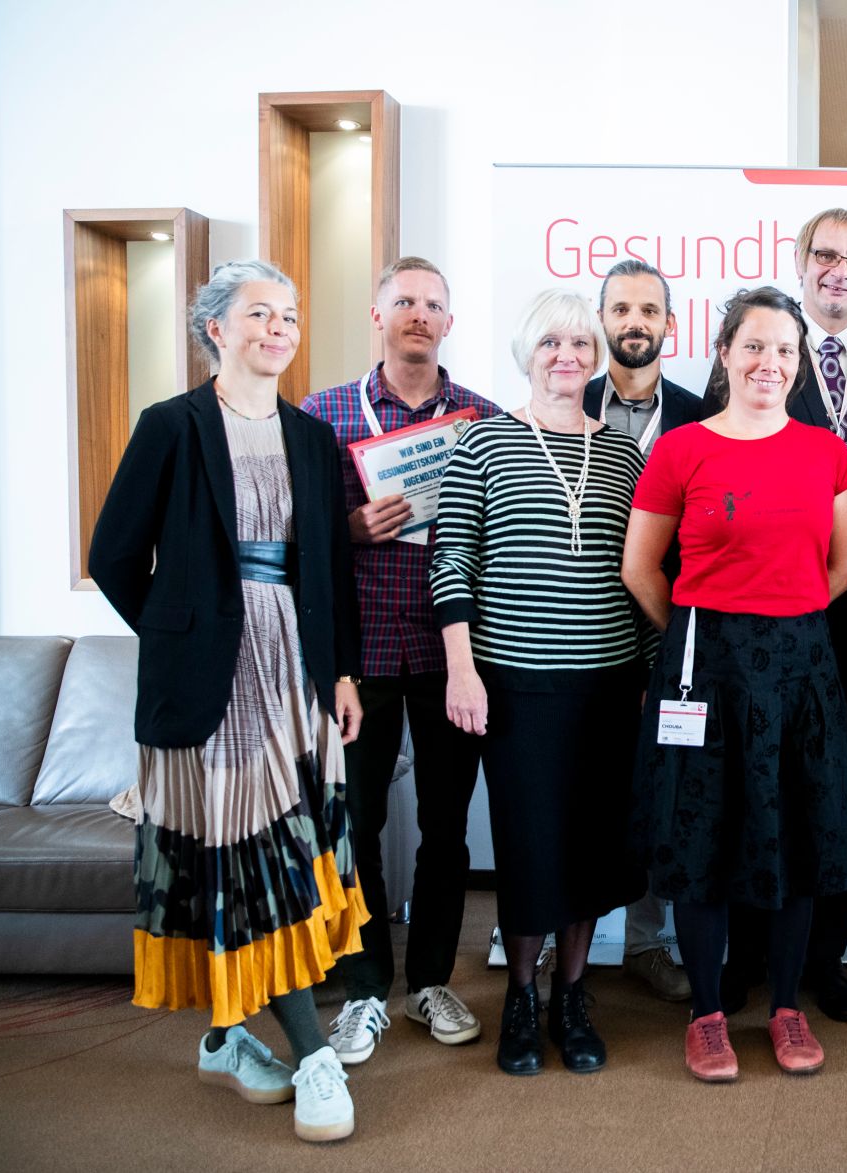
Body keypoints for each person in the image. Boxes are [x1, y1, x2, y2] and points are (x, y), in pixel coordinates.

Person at [88, 259, 367, 1143]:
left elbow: (330, 569)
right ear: (217, 327)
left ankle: (223, 1036)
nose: (279, 328)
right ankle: (316, 1054)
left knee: (284, 854)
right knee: (255, 866)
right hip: (211, 684)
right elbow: (115, 555)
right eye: (259, 313)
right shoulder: (170, 426)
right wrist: (184, 630)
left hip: (299, 676)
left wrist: (345, 673)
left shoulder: (313, 438)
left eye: (289, 314)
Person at [624, 286, 847, 1082]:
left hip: (801, 666)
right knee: (702, 837)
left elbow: (841, 568)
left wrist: (779, 616)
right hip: (704, 666)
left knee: (798, 829)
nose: (770, 362)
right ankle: (706, 1014)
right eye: (754, 345)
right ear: (724, 352)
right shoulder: (682, 447)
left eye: (785, 349)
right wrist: (703, 631)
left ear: (800, 364)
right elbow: (641, 568)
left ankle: (787, 1006)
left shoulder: (828, 452)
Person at [429, 290, 648, 1077]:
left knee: (590, 844)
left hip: (610, 685)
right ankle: (520, 994)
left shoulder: (626, 453)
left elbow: (646, 573)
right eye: (553, 342)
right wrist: (462, 669)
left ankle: (572, 992)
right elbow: (451, 559)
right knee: (529, 847)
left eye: (582, 343)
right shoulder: (481, 444)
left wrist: (656, 678)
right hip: (514, 686)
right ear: (529, 352)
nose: (569, 355)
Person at [722, 207, 847, 1024]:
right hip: (767, 614)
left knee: (840, 791)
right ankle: (745, 957)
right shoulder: (765, 348)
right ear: (801, 262)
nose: (841, 271)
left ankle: (823, 961)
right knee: (752, 784)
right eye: (827, 256)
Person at [302, 257, 501, 1065]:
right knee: (357, 824)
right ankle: (363, 987)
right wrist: (350, 527)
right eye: (405, 302)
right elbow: (295, 540)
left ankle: (428, 980)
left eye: (434, 305)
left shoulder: (484, 419)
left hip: (454, 653)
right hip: (364, 657)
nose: (419, 314)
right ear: (376, 314)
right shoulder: (323, 416)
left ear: (449, 323)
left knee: (447, 829)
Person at [584, 259, 707, 1005]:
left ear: (670, 324)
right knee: (582, 785)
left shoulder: (700, 415)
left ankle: (645, 941)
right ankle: (566, 938)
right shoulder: (567, 402)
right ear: (602, 320)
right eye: (621, 308)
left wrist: (669, 642)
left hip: (676, 631)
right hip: (583, 631)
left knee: (667, 790)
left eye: (649, 309)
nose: (635, 321)